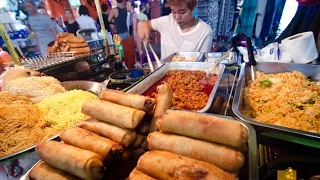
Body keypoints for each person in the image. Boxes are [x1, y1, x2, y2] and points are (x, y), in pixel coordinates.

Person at [138, 0, 213, 60]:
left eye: (182, 12)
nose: (177, 17)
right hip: (164, 74)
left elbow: (203, 63)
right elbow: (145, 24)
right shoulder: (167, 21)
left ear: (193, 7)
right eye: (173, 12)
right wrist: (142, 25)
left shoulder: (205, 31)